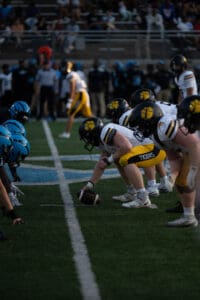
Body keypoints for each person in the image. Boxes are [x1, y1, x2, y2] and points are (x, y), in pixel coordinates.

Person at [129, 100, 200, 227]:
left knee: (187, 180)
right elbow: (175, 159)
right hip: (192, 150)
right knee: (180, 181)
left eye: (140, 125)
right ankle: (188, 216)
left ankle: (191, 215)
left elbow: (194, 144)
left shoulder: (164, 125)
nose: (139, 129)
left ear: (149, 120)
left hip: (196, 148)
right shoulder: (156, 136)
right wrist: (171, 178)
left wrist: (194, 169)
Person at [78, 117, 166, 208]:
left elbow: (127, 147)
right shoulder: (102, 140)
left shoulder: (105, 132)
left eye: (87, 137)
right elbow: (101, 165)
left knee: (125, 159)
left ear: (93, 133)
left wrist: (108, 160)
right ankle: (132, 192)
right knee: (117, 159)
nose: (87, 141)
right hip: (147, 149)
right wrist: (89, 185)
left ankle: (143, 198)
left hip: (154, 149)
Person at [106, 96, 173, 199]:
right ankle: (163, 181)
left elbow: (141, 141)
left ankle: (151, 187)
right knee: (149, 146)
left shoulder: (124, 118)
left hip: (163, 135)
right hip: (162, 135)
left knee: (137, 151)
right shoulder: (134, 112)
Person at [59, 61, 93, 139]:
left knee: (71, 114)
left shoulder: (72, 74)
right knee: (89, 115)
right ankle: (101, 127)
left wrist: (70, 101)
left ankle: (67, 133)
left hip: (80, 94)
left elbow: (73, 87)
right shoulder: (77, 74)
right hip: (84, 93)